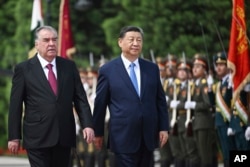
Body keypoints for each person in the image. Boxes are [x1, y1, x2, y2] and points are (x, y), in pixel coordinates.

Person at [8, 25, 94, 167]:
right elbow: (15, 105)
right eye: (46, 40)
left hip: (64, 135)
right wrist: (14, 136)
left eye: (54, 40)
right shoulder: (24, 69)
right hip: (37, 136)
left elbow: (80, 98)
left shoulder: (69, 67)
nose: (51, 44)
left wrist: (88, 125)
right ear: (36, 44)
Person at [93, 25, 169, 167]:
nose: (135, 43)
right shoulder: (108, 70)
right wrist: (98, 132)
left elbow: (160, 101)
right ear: (120, 42)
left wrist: (163, 127)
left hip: (148, 135)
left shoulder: (151, 68)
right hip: (122, 135)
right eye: (131, 39)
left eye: (139, 40)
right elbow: (100, 104)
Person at [185, 54, 215, 167]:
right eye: (194, 66)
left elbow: (208, 104)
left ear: (205, 69)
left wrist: (194, 105)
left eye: (198, 66)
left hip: (204, 123)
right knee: (198, 154)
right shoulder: (195, 84)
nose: (194, 69)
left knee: (205, 155)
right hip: (197, 123)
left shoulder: (204, 84)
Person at [208, 52, 236, 167]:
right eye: (217, 65)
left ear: (228, 66)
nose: (218, 67)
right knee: (225, 153)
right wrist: (210, 89)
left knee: (233, 152)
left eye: (222, 65)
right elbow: (213, 104)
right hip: (220, 123)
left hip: (229, 122)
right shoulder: (219, 84)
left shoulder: (231, 82)